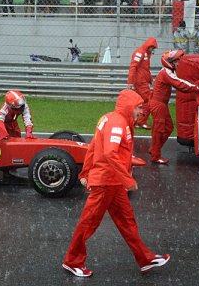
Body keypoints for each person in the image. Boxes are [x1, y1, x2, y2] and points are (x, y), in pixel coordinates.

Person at [61, 89, 170, 277]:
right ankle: (72, 261)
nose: (141, 112)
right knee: (88, 224)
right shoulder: (118, 124)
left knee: (127, 222)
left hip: (113, 183)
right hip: (106, 183)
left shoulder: (110, 119)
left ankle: (145, 258)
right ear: (129, 107)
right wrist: (127, 180)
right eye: (138, 108)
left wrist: (85, 171)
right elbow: (110, 153)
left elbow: (94, 146)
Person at [149, 50, 199, 164]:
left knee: (168, 128)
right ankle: (155, 155)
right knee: (158, 131)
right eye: (177, 61)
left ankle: (154, 149)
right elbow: (180, 84)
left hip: (161, 104)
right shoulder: (166, 72)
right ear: (170, 62)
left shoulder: (167, 71)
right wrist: (196, 87)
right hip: (158, 105)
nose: (178, 63)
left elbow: (179, 82)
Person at [127, 38, 158, 129]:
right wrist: (130, 82)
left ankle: (134, 122)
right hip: (140, 82)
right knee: (148, 100)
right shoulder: (139, 53)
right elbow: (133, 67)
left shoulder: (146, 54)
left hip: (142, 81)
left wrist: (150, 80)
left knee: (137, 102)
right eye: (152, 48)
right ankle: (142, 122)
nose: (152, 50)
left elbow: (145, 69)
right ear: (149, 46)